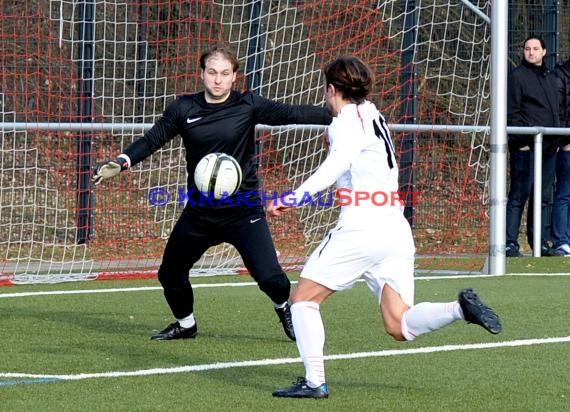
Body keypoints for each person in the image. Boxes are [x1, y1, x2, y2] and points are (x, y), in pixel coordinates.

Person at [269, 56, 502, 399]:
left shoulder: (344, 123)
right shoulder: (374, 114)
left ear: (330, 89)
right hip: (394, 228)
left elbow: (336, 165)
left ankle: (315, 381)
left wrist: (292, 197)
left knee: (302, 301)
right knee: (398, 324)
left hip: (362, 227)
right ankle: (459, 309)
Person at [91, 45, 332, 341]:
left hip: (243, 211)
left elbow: (293, 113)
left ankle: (284, 308)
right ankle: (186, 324)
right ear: (202, 74)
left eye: (225, 74)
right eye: (212, 72)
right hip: (199, 214)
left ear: (234, 77)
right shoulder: (183, 108)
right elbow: (153, 138)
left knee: (270, 278)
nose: (218, 80)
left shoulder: (248, 105)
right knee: (170, 274)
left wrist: (341, 114)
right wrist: (122, 161)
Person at [506, 35, 560, 257]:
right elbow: (512, 112)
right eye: (527, 48)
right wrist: (523, 141)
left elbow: (555, 111)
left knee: (543, 197)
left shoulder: (549, 77)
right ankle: (509, 243)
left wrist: (556, 141)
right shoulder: (517, 76)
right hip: (526, 149)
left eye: (535, 48)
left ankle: (539, 242)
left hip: (548, 149)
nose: (531, 52)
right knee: (519, 195)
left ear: (544, 52)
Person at [551, 58, 570, 255]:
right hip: (567, 145)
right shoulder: (560, 76)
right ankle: (561, 241)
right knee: (564, 194)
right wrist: (565, 139)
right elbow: (559, 112)